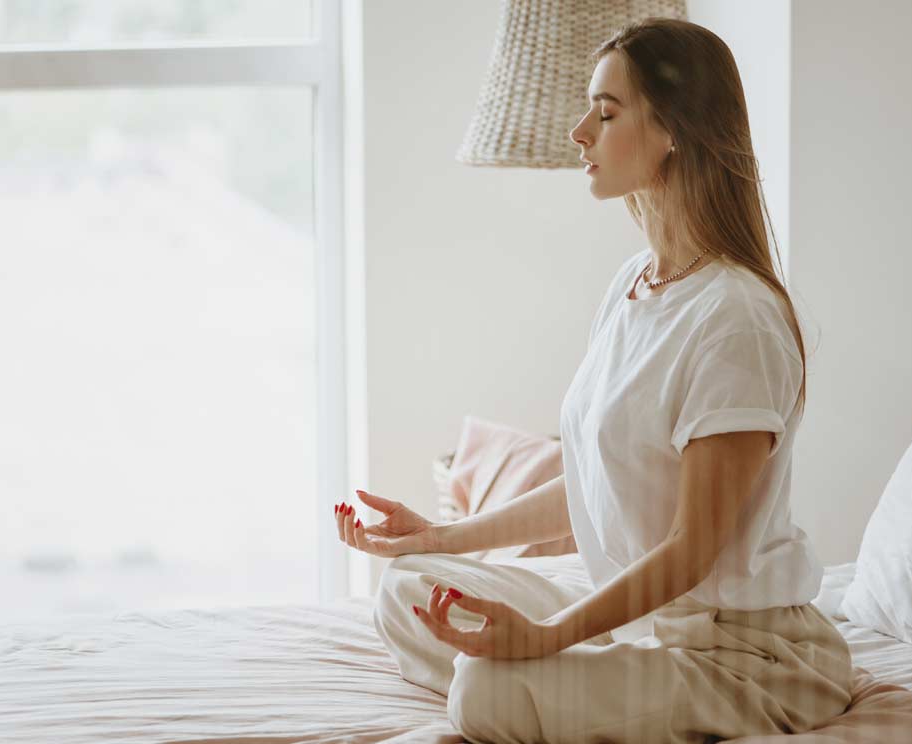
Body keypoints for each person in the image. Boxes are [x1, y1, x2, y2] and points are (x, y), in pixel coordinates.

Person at [331, 17, 854, 744]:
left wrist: (547, 637)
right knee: (409, 590)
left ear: (673, 131)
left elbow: (690, 550)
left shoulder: (737, 318)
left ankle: (555, 677)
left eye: (605, 113)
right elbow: (589, 484)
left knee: (485, 689)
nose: (580, 132)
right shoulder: (634, 284)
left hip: (738, 652)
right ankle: (576, 676)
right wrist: (445, 537)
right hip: (639, 619)